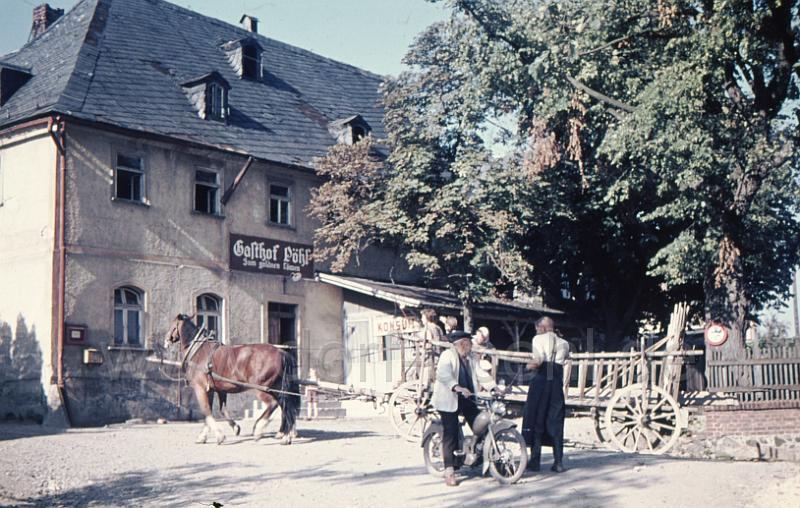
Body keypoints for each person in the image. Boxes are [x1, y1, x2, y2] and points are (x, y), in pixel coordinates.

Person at [431, 330, 496, 487]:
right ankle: (449, 471)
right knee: (450, 434)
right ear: (461, 344)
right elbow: (443, 375)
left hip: (466, 398)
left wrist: (494, 388)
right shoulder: (447, 356)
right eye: (468, 343)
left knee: (481, 423)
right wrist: (457, 387)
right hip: (449, 399)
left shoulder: (471, 358)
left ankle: (482, 456)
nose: (471, 346)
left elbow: (482, 375)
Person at [521, 316, 570, 473]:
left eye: (537, 328)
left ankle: (535, 461)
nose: (536, 331)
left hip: (541, 381)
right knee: (556, 420)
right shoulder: (565, 343)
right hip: (556, 382)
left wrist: (528, 367)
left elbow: (539, 360)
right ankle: (558, 462)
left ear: (541, 327)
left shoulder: (538, 339)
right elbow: (565, 360)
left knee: (536, 418)